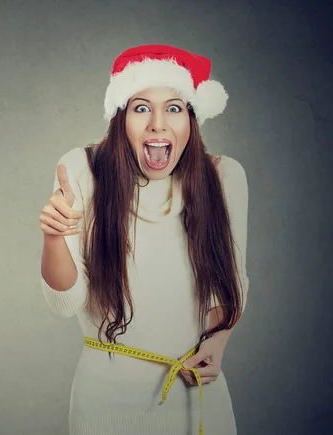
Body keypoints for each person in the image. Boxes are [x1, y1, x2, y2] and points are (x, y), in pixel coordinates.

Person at [38, 44, 249, 435]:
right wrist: (54, 237)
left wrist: (218, 341)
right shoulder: (81, 169)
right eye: (140, 108)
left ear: (191, 117)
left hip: (197, 399)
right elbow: (65, 302)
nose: (157, 124)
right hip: (106, 404)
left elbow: (232, 285)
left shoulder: (224, 178)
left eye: (173, 107)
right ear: (120, 118)